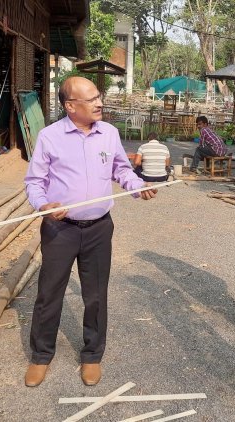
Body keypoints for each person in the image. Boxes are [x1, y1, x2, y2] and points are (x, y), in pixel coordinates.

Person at [23, 76, 157, 388]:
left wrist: (137, 186)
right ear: (70, 106)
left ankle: (92, 355)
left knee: (95, 295)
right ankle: (41, 355)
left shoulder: (108, 133)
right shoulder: (50, 137)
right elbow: (34, 182)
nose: (99, 103)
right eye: (91, 99)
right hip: (60, 229)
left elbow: (121, 169)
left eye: (99, 96)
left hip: (98, 229)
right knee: (49, 293)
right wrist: (44, 205)